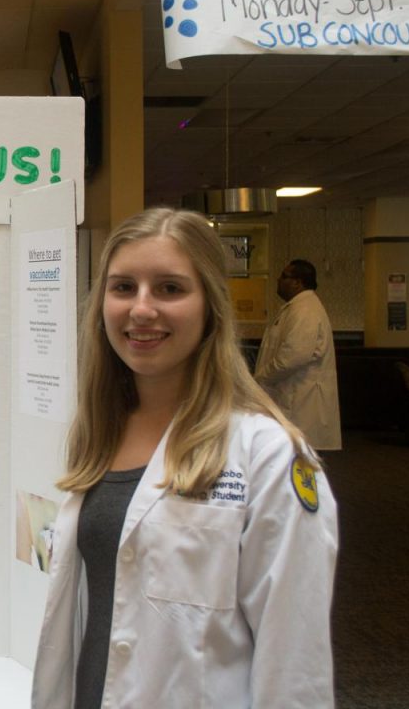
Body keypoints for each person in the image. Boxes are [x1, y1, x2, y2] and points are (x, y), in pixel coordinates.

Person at [32, 208, 338, 708]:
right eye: (123, 287)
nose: (142, 309)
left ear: (210, 307)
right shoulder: (94, 436)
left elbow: (295, 662)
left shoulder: (268, 454)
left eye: (170, 289)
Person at [254, 259, 342, 450]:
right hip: (291, 396)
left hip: (300, 401)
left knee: (299, 463)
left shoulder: (306, 310)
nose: (278, 280)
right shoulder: (297, 307)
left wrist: (260, 378)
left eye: (284, 276)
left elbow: (293, 357)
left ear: (298, 282)